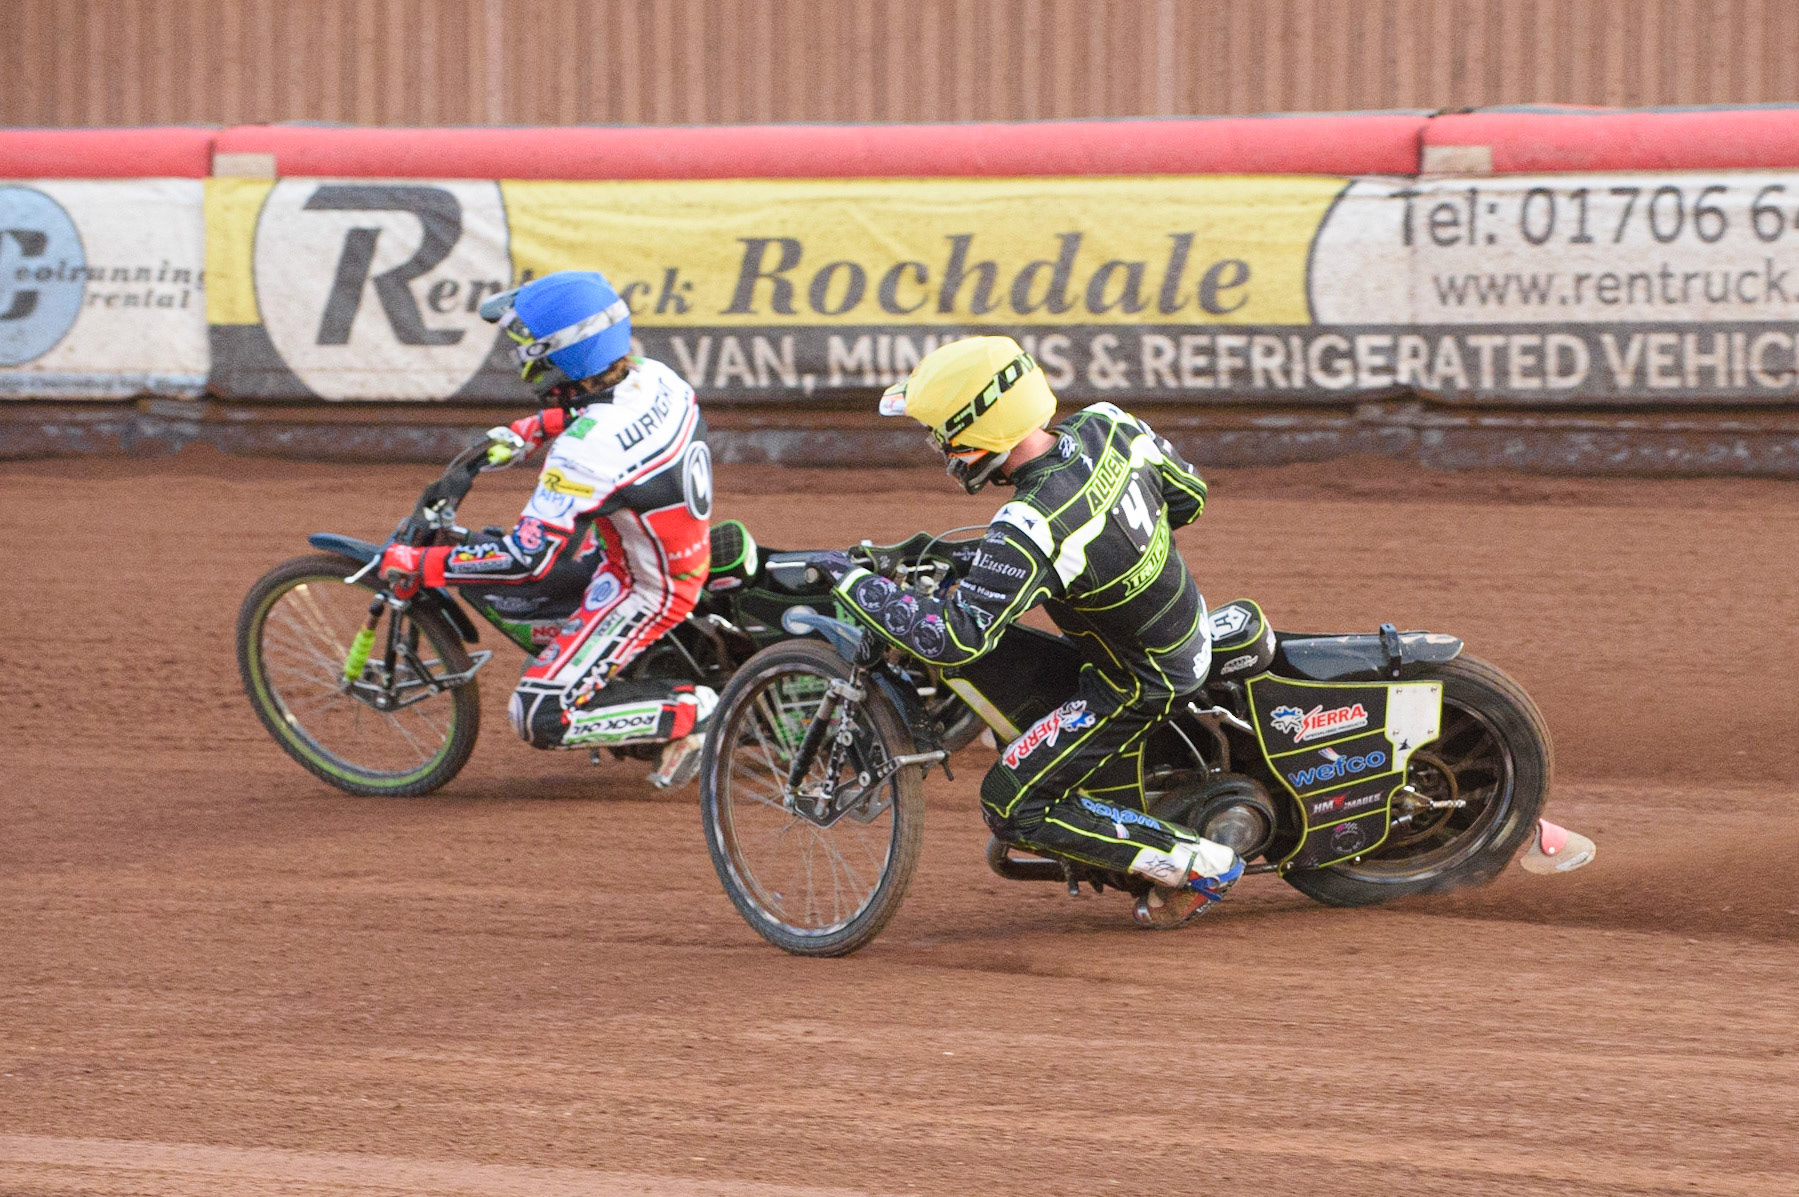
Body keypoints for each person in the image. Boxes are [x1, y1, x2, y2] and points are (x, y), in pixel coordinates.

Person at [812, 336, 1243, 927]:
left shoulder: (1030, 525)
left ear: (977, 429)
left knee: (1011, 804)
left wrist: (853, 583)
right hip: (1182, 624)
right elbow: (1187, 498)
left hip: (1136, 677)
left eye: (943, 434)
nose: (942, 449)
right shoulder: (1111, 425)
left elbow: (956, 640)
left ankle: (1197, 863)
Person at [378, 270, 716, 788]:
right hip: (669, 543)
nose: (518, 354)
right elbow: (605, 415)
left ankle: (695, 711)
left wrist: (422, 565)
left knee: (537, 715)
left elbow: (524, 559)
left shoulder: (586, 453)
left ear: (558, 354)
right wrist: (531, 430)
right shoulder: (654, 375)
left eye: (525, 344)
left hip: (646, 588)